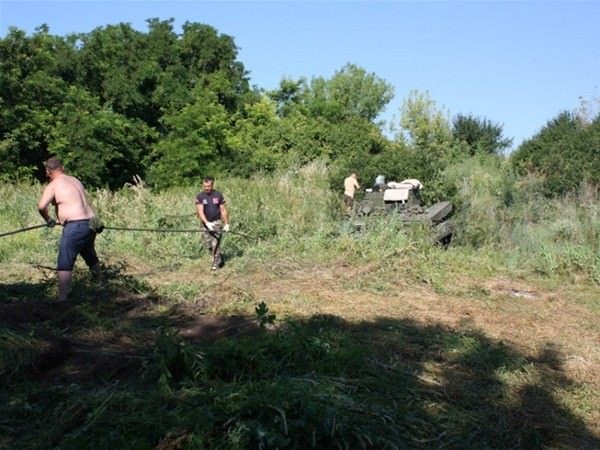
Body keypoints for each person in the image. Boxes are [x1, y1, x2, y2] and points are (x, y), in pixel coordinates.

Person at [37, 156, 102, 302]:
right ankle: (99, 284)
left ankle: (62, 298)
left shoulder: (54, 185)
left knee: (65, 260)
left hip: (76, 224)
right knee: (88, 252)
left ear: (48, 171)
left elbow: (41, 206)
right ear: (62, 168)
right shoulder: (75, 180)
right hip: (93, 221)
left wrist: (48, 220)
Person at [195, 176, 230, 270]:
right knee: (208, 244)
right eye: (204, 186)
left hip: (216, 222)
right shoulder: (200, 196)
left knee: (216, 243)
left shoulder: (218, 195)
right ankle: (217, 256)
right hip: (205, 224)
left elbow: (223, 210)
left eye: (208, 186)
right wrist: (206, 223)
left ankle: (216, 263)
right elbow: (200, 212)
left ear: (212, 185)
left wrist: (226, 223)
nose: (206, 188)